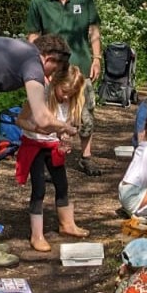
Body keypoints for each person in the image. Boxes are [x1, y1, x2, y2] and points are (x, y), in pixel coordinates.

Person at [0, 33, 78, 266]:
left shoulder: (17, 50)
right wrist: (65, 127)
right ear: (49, 59)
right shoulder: (32, 61)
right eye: (55, 69)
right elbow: (42, 117)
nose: (51, 75)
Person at [25, 0, 102, 176]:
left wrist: (97, 58)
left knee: (86, 112)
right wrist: (36, 66)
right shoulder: (39, 2)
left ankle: (86, 156)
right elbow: (33, 36)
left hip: (81, 65)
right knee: (51, 113)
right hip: (53, 69)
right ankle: (53, 157)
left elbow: (93, 30)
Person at [15, 66, 90, 250]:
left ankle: (67, 224)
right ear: (56, 83)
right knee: (39, 189)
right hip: (35, 145)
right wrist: (38, 129)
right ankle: (37, 234)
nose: (66, 97)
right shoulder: (39, 99)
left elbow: (65, 128)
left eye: (71, 94)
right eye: (64, 92)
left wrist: (65, 137)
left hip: (53, 146)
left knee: (62, 184)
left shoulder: (70, 103)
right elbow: (20, 120)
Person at [119, 115, 147, 216]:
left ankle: (135, 208)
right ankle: (142, 210)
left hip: (123, 190)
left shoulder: (141, 146)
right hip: (132, 195)